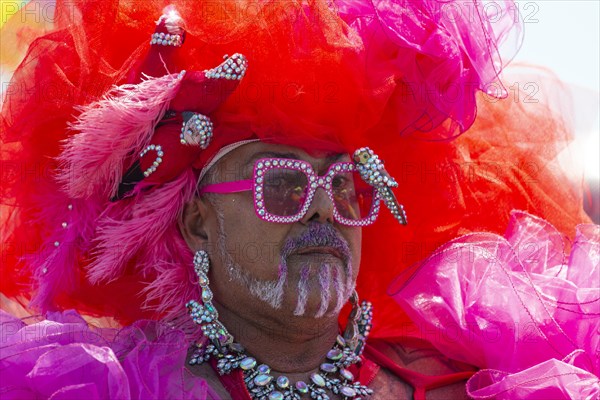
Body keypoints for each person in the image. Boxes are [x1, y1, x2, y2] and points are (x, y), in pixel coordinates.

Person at [1, 1, 597, 399]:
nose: (322, 209)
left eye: (345, 184)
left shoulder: (473, 378)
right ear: (197, 223)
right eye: (282, 185)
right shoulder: (102, 385)